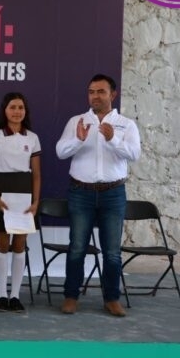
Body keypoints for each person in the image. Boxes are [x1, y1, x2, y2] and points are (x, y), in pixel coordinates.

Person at [56, 73, 141, 317]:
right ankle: (71, 296)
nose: (95, 96)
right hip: (80, 192)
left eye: (101, 92)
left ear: (113, 94)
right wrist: (78, 140)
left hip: (113, 193)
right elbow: (61, 152)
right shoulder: (77, 121)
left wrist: (113, 140)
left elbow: (134, 154)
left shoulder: (126, 124)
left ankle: (112, 299)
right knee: (77, 247)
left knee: (112, 251)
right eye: (92, 92)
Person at [0, 92, 41, 313]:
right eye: (12, 107)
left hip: (24, 194)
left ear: (26, 111)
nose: (17, 111)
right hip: (2, 193)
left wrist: (35, 201)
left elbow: (36, 174)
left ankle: (15, 295)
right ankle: (1, 295)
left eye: (21, 107)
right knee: (2, 244)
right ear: (4, 110)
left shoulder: (32, 138)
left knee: (19, 245)